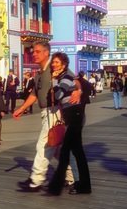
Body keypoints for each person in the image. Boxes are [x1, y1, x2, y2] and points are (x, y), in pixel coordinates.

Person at [13, 41, 77, 192]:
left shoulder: (54, 67)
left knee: (44, 145)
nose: (33, 54)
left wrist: (78, 91)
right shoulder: (39, 74)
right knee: (55, 149)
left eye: (37, 51)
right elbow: (35, 94)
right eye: (33, 52)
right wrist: (22, 108)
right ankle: (71, 177)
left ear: (46, 53)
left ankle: (36, 180)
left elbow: (74, 79)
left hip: (55, 111)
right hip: (45, 112)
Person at [46, 52, 91, 196]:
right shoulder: (63, 76)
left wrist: (54, 80)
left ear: (64, 64)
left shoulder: (65, 76)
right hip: (72, 115)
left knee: (72, 152)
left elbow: (58, 95)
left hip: (75, 115)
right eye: (53, 62)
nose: (54, 64)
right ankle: (79, 183)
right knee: (74, 151)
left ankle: (78, 183)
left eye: (57, 62)